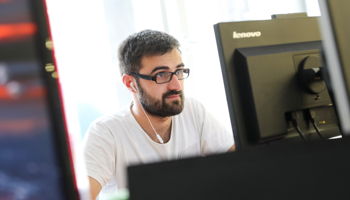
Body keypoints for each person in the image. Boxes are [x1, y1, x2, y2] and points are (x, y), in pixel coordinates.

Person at [82, 29, 235, 200]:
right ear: (130, 83)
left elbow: (241, 169)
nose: (176, 85)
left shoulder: (194, 111)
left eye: (179, 72)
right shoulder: (105, 132)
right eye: (161, 75)